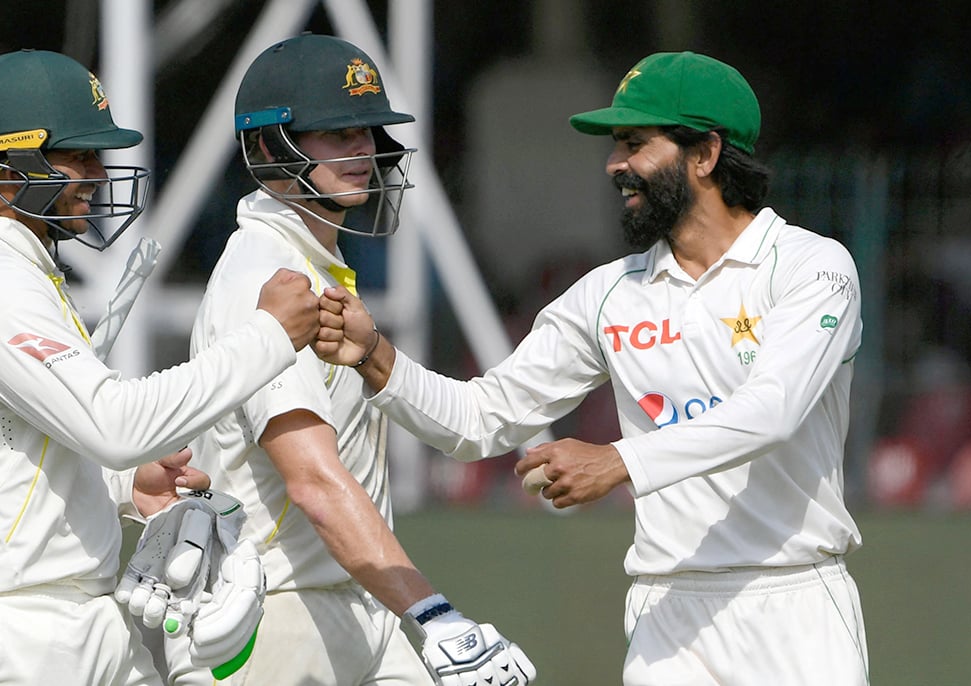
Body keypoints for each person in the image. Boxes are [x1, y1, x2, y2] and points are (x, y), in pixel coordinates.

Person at [317, 51, 870, 686]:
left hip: (794, 606)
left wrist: (618, 462)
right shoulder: (609, 293)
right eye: (615, 146)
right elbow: (480, 418)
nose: (614, 166)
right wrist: (375, 355)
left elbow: (772, 411)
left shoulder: (811, 267)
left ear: (706, 154)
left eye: (635, 144)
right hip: (667, 617)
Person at [0, 49, 320, 685]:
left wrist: (125, 488)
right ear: (9, 161)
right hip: (2, 635)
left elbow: (26, 451)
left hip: (73, 624)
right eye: (80, 155)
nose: (98, 175)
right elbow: (115, 425)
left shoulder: (15, 266)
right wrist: (267, 337)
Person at [166, 34, 535, 686]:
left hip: (354, 606)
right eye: (335, 134)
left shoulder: (317, 267)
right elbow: (311, 482)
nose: (363, 150)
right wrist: (438, 616)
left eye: (367, 131)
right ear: (266, 145)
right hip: (271, 617)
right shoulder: (268, 275)